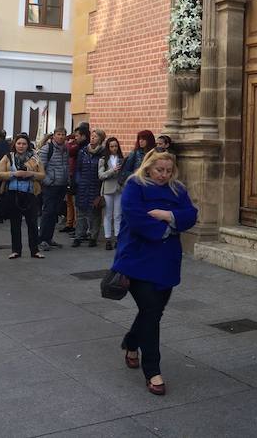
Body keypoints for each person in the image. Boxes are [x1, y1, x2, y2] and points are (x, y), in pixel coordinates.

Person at [114, 150, 198, 395]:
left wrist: (167, 215)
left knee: (153, 311)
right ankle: (153, 371)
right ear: (148, 167)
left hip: (166, 261)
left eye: (168, 171)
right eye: (160, 170)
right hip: (137, 259)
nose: (164, 175)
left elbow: (191, 214)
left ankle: (131, 342)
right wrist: (169, 228)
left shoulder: (177, 189)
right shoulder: (135, 185)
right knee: (151, 311)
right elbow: (135, 218)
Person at [0, 133, 45, 259]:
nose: (21, 146)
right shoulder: (8, 157)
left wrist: (31, 174)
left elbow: (42, 175)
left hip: (30, 193)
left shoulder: (35, 158)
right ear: (15, 144)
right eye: (19, 143)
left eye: (24, 144)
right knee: (15, 223)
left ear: (28, 145)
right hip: (13, 193)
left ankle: (35, 250)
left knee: (32, 223)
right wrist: (13, 174)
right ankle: (16, 250)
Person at [73, 128, 105, 248]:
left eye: (96, 137)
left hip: (96, 185)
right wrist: (78, 181)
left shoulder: (103, 153)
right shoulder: (83, 152)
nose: (92, 138)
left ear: (100, 139)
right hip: (83, 184)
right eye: (92, 136)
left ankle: (93, 236)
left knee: (94, 213)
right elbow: (78, 168)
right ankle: (78, 236)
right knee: (81, 212)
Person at [39, 126, 70, 251]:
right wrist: (48, 181)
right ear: (54, 135)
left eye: (63, 134)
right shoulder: (47, 149)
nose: (61, 137)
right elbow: (41, 168)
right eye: (59, 134)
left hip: (61, 185)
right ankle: (42, 239)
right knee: (48, 212)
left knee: (54, 213)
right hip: (50, 186)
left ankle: (49, 238)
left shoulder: (65, 149)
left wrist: (67, 180)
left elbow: (66, 165)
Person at [62, 124, 90, 236]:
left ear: (83, 136)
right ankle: (72, 225)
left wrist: (70, 143)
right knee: (71, 202)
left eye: (77, 136)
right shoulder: (78, 146)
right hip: (73, 176)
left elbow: (68, 150)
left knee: (78, 205)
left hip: (79, 179)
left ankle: (78, 228)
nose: (75, 138)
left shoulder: (82, 148)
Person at [98, 136, 124, 251]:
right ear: (108, 148)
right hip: (108, 189)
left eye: (116, 146)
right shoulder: (103, 160)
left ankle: (118, 237)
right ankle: (108, 238)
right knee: (108, 215)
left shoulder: (121, 159)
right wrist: (112, 171)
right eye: (112, 146)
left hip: (119, 188)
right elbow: (101, 175)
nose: (114, 148)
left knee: (118, 214)